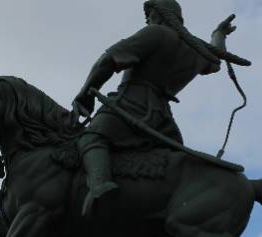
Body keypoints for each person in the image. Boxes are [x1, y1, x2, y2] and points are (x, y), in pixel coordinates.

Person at [70, 0, 239, 216]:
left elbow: (108, 60)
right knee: (173, 166)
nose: (148, 21)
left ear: (158, 15)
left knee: (92, 138)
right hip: (163, 121)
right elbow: (215, 57)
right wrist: (219, 34)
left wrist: (85, 95)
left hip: (130, 105)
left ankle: (100, 186)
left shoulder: (156, 33)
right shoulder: (194, 49)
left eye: (148, 16)